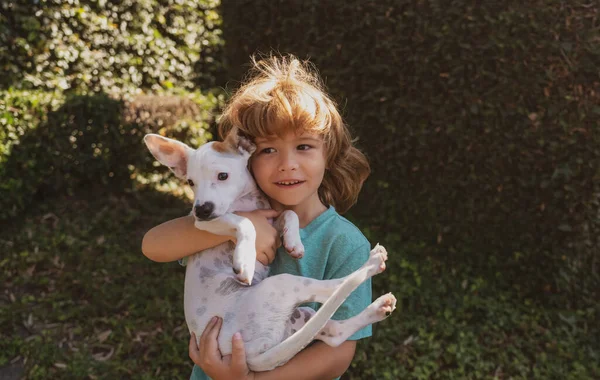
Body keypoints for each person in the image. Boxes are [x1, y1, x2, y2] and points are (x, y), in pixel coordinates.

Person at [141, 54, 372, 380]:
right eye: (268, 150)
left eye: (304, 146)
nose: (287, 164)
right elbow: (153, 245)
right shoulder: (228, 215)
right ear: (245, 158)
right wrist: (239, 229)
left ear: (329, 153)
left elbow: (338, 353)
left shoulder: (343, 243)